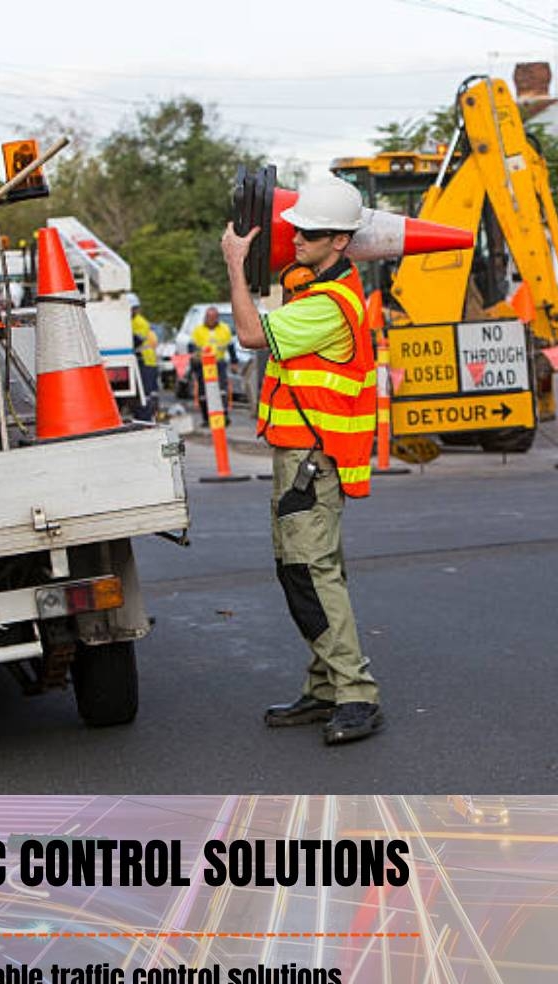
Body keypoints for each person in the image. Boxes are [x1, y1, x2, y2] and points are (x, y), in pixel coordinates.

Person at [220, 175, 383, 746]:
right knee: (310, 569)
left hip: (312, 461)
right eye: (296, 228)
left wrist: (236, 264)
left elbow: (248, 333)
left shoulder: (329, 308)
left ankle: (355, 692)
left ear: (341, 241)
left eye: (310, 234)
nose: (297, 238)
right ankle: (325, 686)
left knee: (309, 574)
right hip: (307, 457)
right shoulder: (321, 289)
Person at [189, 306, 235, 422]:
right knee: (204, 392)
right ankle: (206, 417)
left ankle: (223, 415)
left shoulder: (224, 329)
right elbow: (192, 347)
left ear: (217, 318)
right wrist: (193, 361)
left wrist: (234, 362)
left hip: (219, 363)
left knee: (221, 390)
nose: (210, 320)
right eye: (208, 317)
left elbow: (230, 346)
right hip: (203, 364)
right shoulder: (198, 330)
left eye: (213, 317)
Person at [129, 294, 159, 421]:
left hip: (147, 362)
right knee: (145, 393)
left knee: (146, 394)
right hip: (143, 361)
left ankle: (146, 418)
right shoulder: (131, 321)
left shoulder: (140, 323)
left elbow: (136, 341)